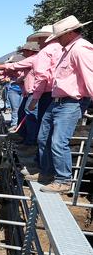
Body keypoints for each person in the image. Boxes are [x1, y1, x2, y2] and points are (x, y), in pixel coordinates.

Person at [35, 16, 93, 192]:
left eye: (59, 36)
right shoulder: (68, 49)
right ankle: (47, 173)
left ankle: (63, 180)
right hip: (58, 101)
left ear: (69, 33)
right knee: (43, 137)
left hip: (71, 102)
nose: (57, 39)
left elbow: (90, 78)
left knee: (59, 141)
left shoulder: (80, 50)